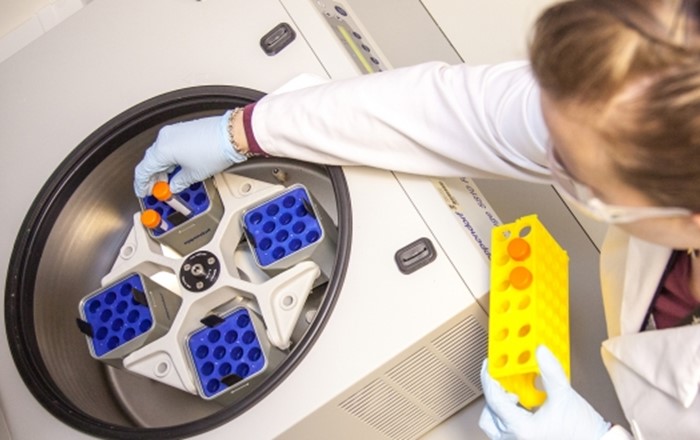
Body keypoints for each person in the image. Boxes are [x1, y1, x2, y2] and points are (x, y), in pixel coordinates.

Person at [134, 0, 700, 438]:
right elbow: (453, 114)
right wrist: (243, 131)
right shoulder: (646, 76)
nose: (543, 151)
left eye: (577, 174)